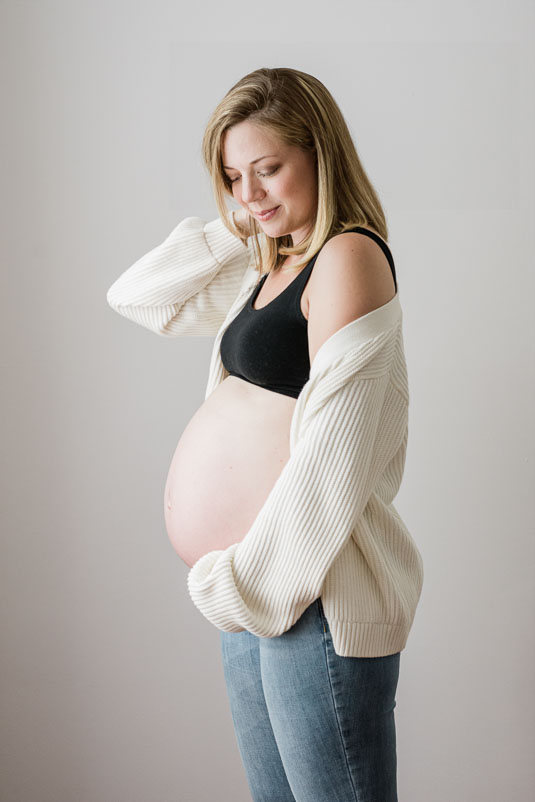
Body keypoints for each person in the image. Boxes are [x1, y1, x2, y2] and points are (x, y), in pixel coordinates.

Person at [106, 66, 424, 802]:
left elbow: (332, 463)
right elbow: (138, 297)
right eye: (230, 176)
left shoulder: (347, 258)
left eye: (268, 169)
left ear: (321, 154)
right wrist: (242, 220)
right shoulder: (270, 265)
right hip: (254, 600)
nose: (248, 192)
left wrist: (249, 585)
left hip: (306, 597)